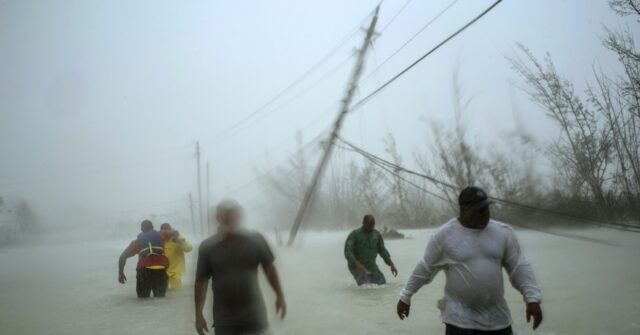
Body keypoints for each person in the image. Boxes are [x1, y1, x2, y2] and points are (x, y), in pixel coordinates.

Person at [396, 186, 543, 334]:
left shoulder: (503, 232)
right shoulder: (444, 236)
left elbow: (519, 267)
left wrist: (532, 299)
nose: (484, 214)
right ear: (464, 209)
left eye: (486, 209)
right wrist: (406, 296)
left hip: (498, 321)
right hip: (459, 322)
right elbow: (424, 269)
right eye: (479, 210)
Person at [195, 199, 286, 335]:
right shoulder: (208, 247)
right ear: (218, 218)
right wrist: (198, 315)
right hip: (224, 318)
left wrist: (279, 295)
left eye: (234, 216)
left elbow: (269, 268)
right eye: (226, 217)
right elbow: (201, 281)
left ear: (239, 217)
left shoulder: (256, 240)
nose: (231, 220)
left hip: (254, 315)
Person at [118, 219, 177, 298]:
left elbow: (122, 257)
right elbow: (175, 233)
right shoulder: (161, 235)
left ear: (141, 230)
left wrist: (121, 273)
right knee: (160, 299)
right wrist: (175, 239)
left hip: (144, 271)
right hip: (160, 271)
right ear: (153, 228)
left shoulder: (136, 242)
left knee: (143, 299)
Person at [344, 214, 398, 286]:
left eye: (372, 225)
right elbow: (348, 251)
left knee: (382, 284)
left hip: (371, 266)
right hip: (357, 266)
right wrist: (357, 264)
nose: (371, 227)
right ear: (363, 223)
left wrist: (391, 264)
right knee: (366, 286)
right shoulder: (355, 234)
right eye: (369, 225)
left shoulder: (376, 235)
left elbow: (382, 251)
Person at [160, 223, 193, 290]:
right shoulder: (159, 239)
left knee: (176, 291)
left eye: (168, 231)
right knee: (162, 292)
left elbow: (189, 248)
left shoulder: (178, 237)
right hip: (162, 270)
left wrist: (178, 241)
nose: (166, 233)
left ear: (171, 230)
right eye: (164, 231)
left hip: (175, 271)